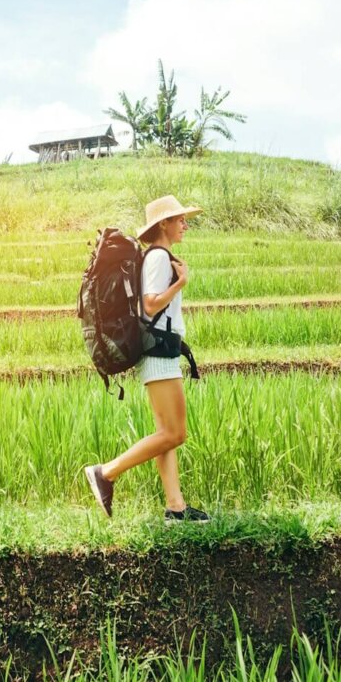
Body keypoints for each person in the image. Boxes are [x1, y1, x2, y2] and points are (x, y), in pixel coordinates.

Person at [83, 195, 211, 523]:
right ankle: (105, 472)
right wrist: (181, 282)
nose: (185, 223)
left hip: (162, 351)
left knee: (165, 434)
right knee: (175, 433)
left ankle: (176, 508)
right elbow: (150, 305)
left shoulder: (160, 256)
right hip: (158, 353)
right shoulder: (157, 257)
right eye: (179, 219)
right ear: (163, 224)